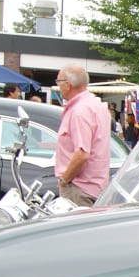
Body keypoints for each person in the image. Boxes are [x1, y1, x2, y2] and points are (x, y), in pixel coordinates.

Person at [52, 64, 110, 207]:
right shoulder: (97, 106)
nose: (58, 86)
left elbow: (82, 154)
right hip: (95, 186)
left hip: (79, 188)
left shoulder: (79, 110)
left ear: (67, 85)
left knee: (73, 229)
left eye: (58, 82)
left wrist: (65, 180)